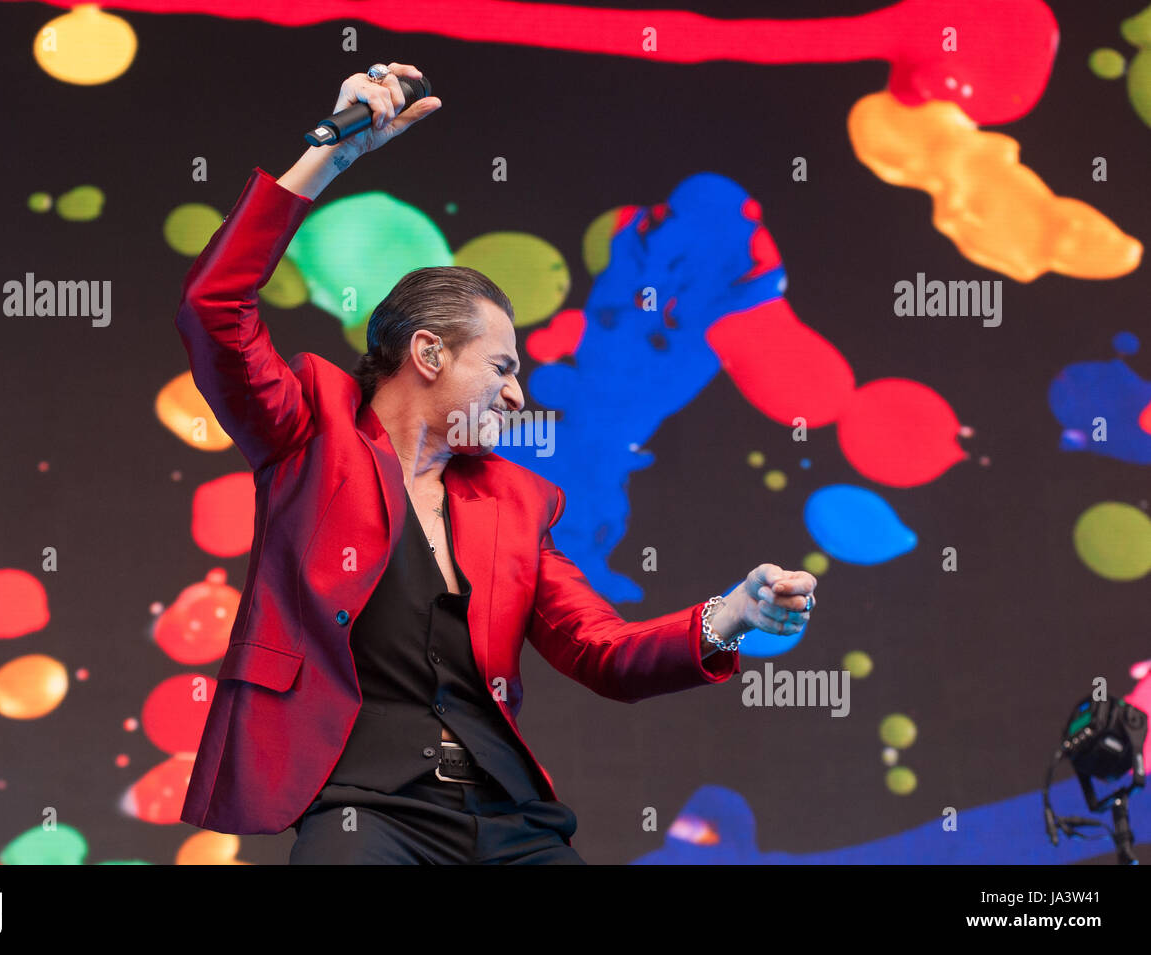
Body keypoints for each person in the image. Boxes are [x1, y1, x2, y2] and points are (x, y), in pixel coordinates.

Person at [175, 62, 819, 864]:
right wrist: (330, 157)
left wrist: (732, 618)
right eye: (503, 367)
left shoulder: (515, 501)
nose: (519, 396)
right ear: (429, 352)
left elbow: (603, 652)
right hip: (365, 812)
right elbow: (213, 308)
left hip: (508, 817)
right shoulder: (310, 428)